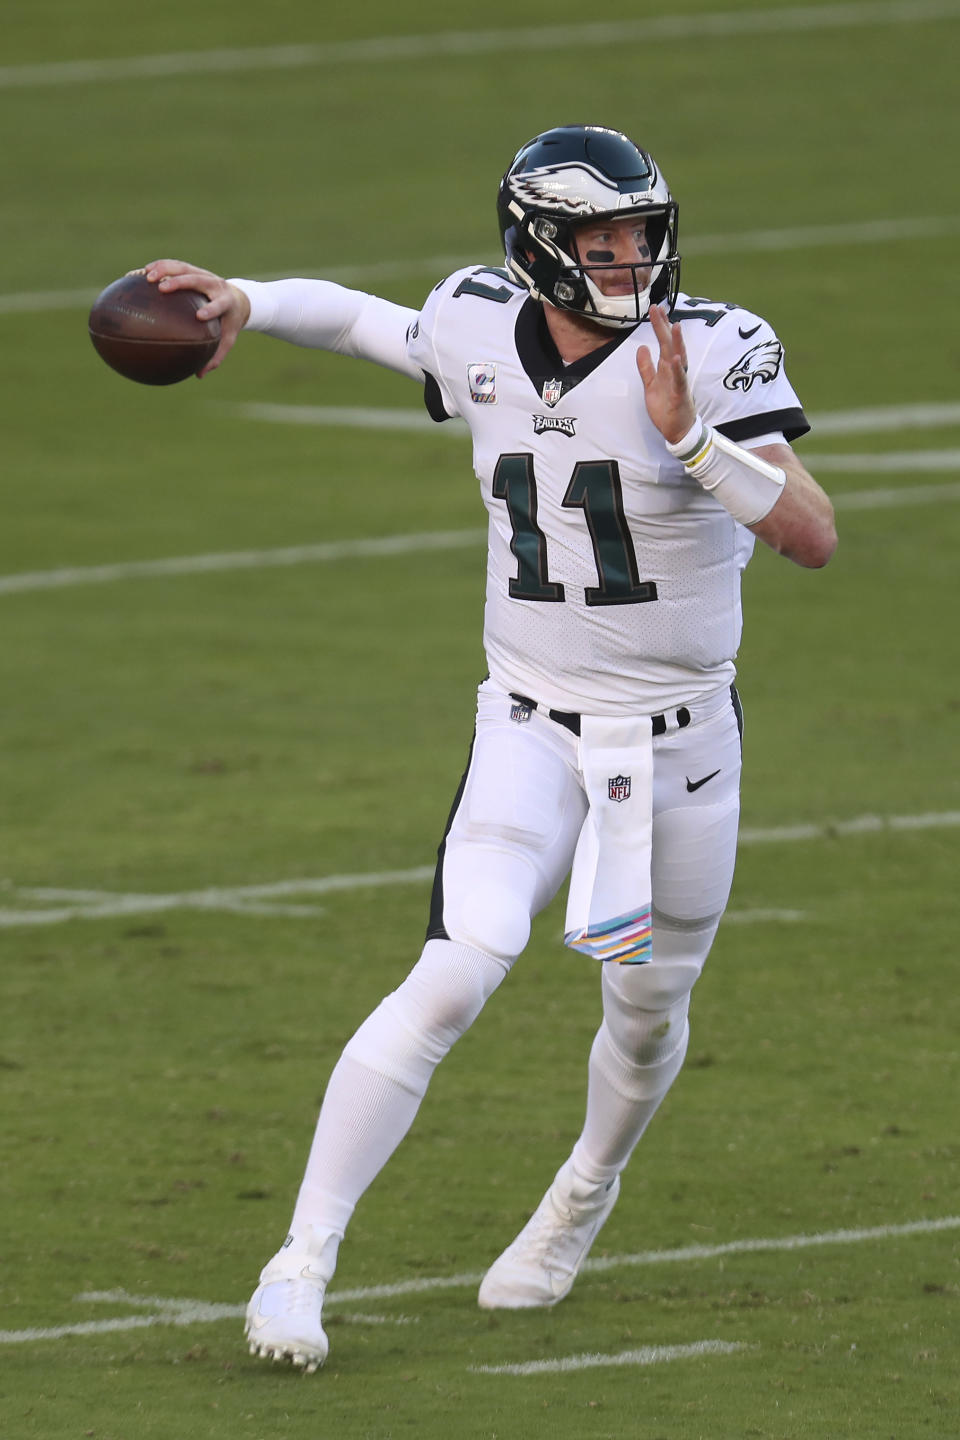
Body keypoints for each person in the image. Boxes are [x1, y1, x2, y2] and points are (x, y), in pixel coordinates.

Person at [145, 124, 836, 1373]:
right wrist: (248, 299)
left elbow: (812, 532)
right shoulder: (475, 320)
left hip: (683, 746)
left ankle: (581, 1193)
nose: (631, 258)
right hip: (527, 724)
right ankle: (297, 1266)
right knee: (461, 967)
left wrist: (692, 443)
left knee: (647, 1008)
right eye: (601, 239)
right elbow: (367, 323)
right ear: (536, 247)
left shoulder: (715, 347)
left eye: (641, 233)